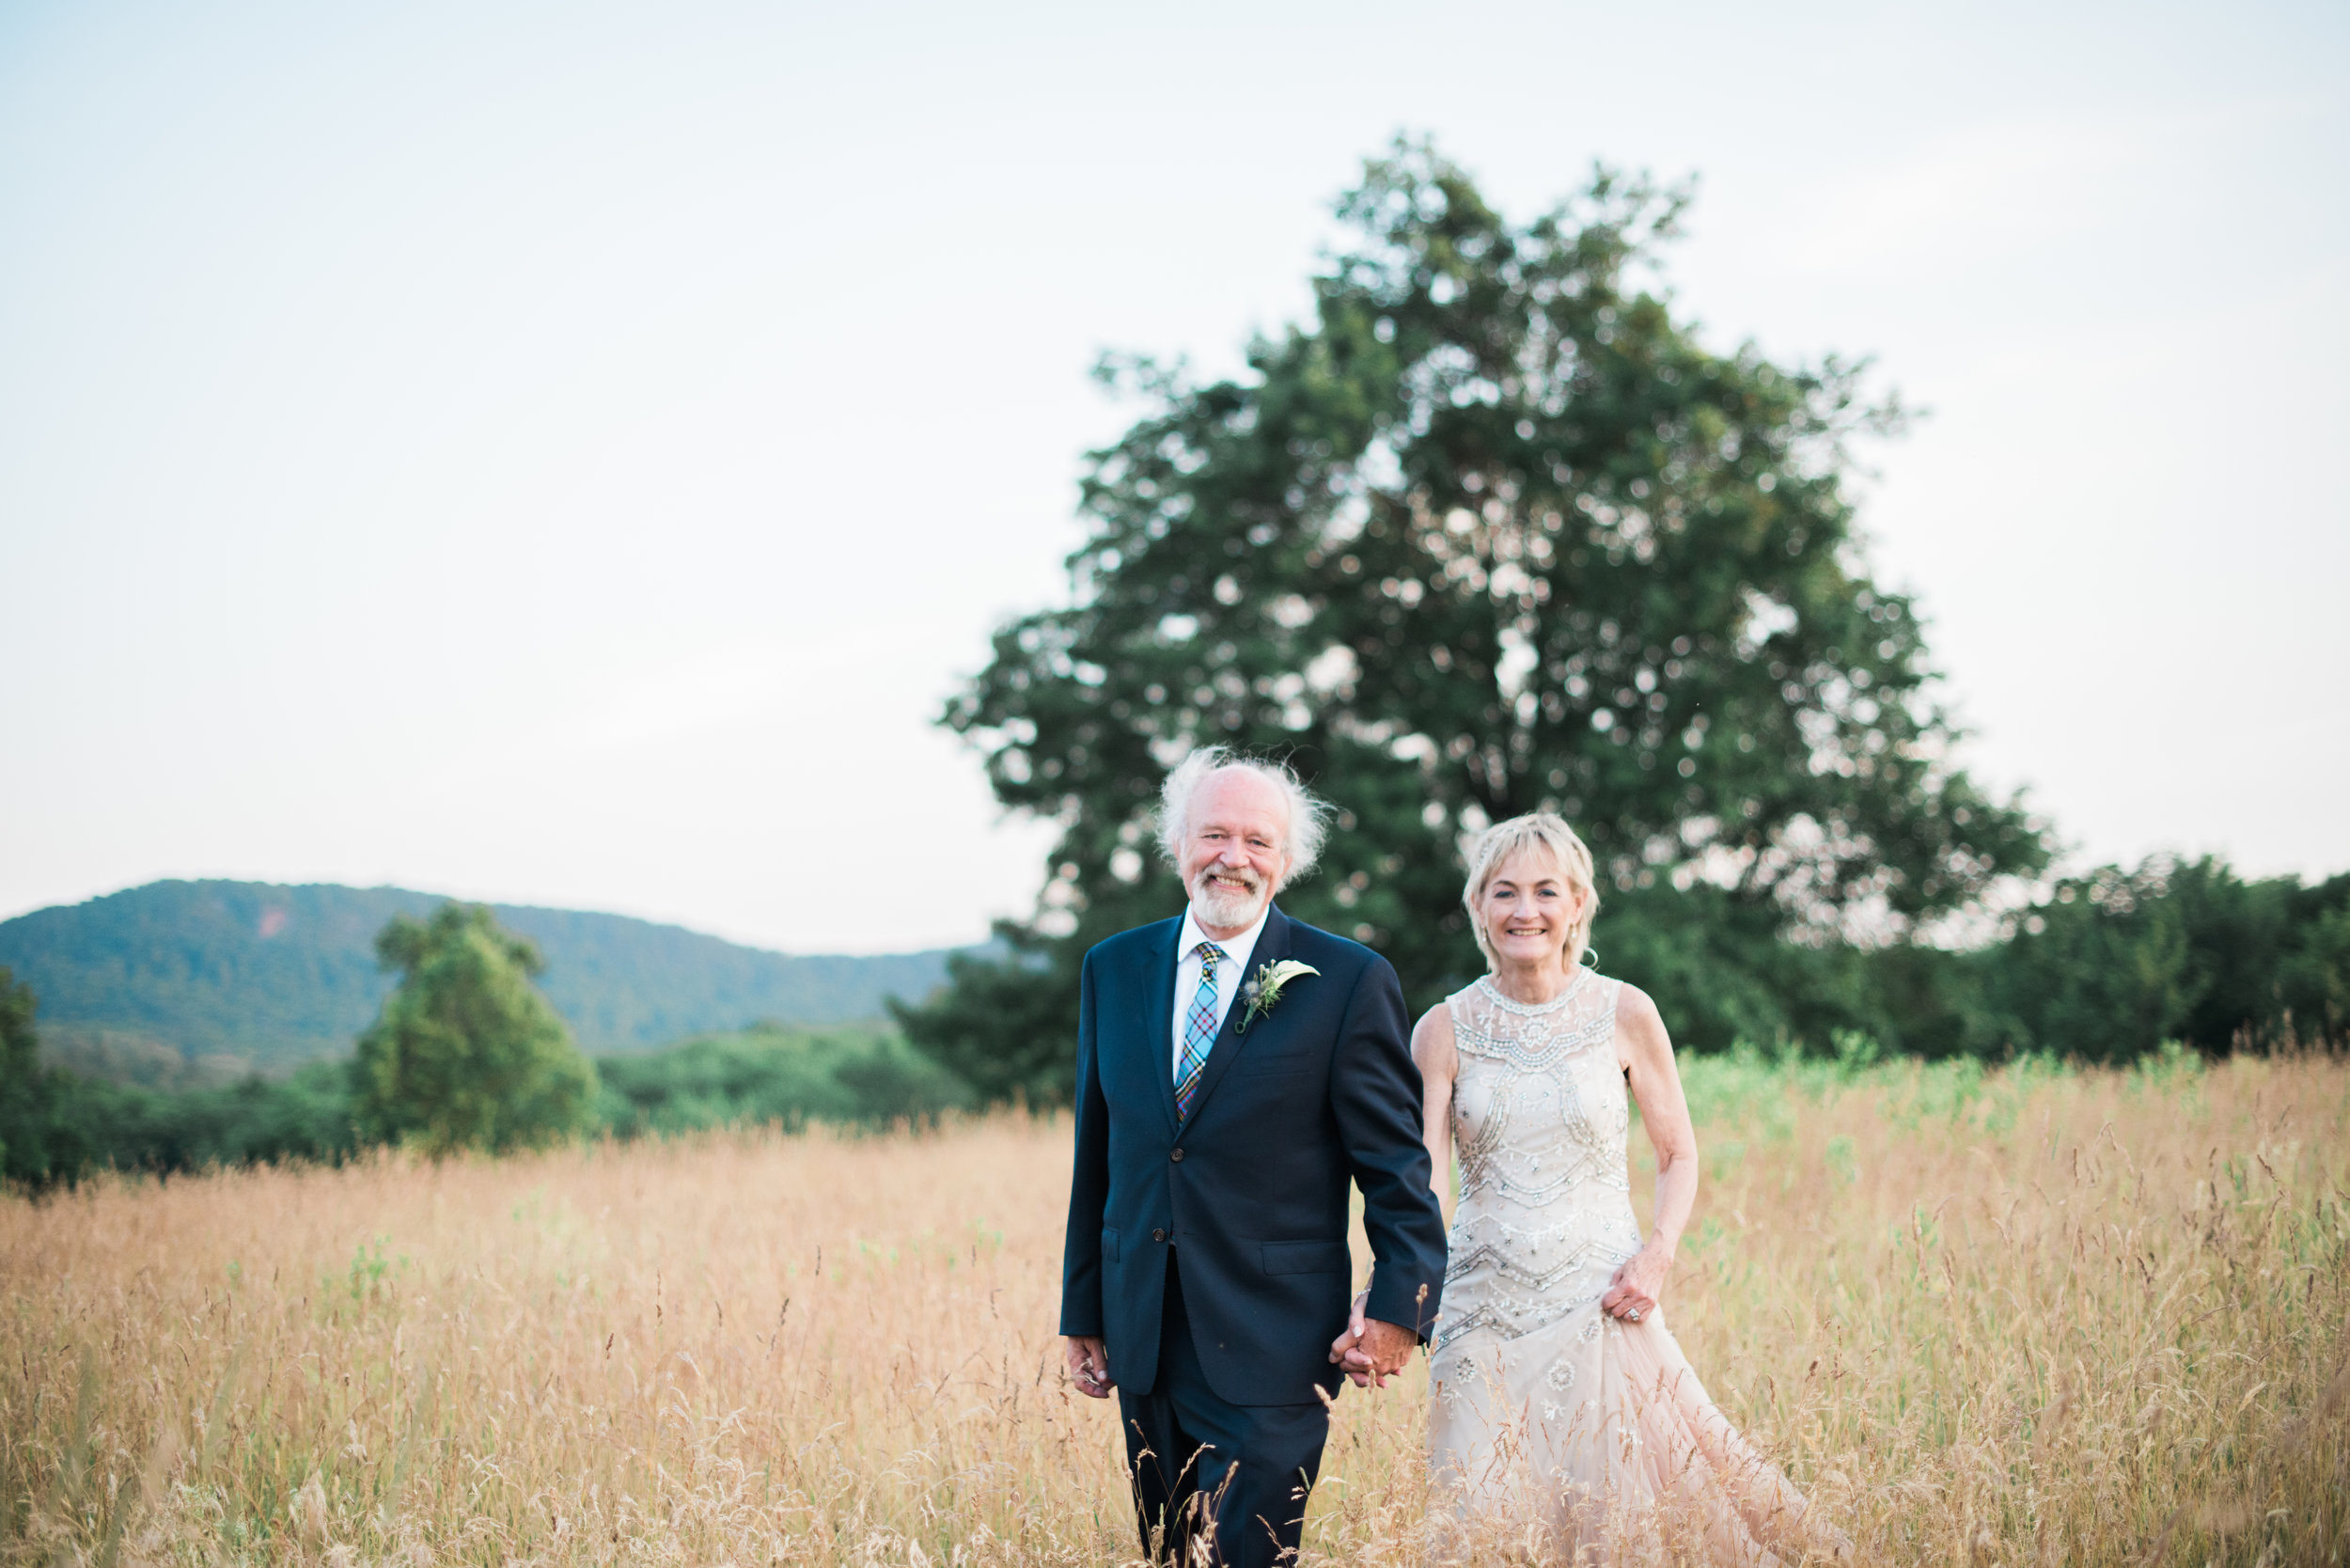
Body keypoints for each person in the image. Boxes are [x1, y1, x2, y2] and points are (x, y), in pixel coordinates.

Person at [1332, 811, 1851, 1563]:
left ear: (1578, 903)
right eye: (1504, 892)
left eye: (1547, 891)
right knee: (1481, 1525)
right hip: (1482, 1320)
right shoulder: (1442, 1029)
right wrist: (1390, 1298)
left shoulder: (1626, 1011)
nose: (1525, 911)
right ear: (1479, 906)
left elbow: (1679, 1155)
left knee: (1626, 1527)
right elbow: (1423, 1186)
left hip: (1602, 1302)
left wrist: (1657, 1256)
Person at [1061, 747, 1449, 1567]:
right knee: (1169, 1553)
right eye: (1214, 835)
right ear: (1178, 845)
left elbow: (1395, 1170)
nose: (1233, 858)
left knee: (1255, 1556)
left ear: (1287, 862)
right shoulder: (1112, 968)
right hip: (1144, 1328)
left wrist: (1399, 1309)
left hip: (1277, 1338)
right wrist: (1084, 1311)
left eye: (1257, 842)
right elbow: (1098, 1153)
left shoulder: (1348, 980)